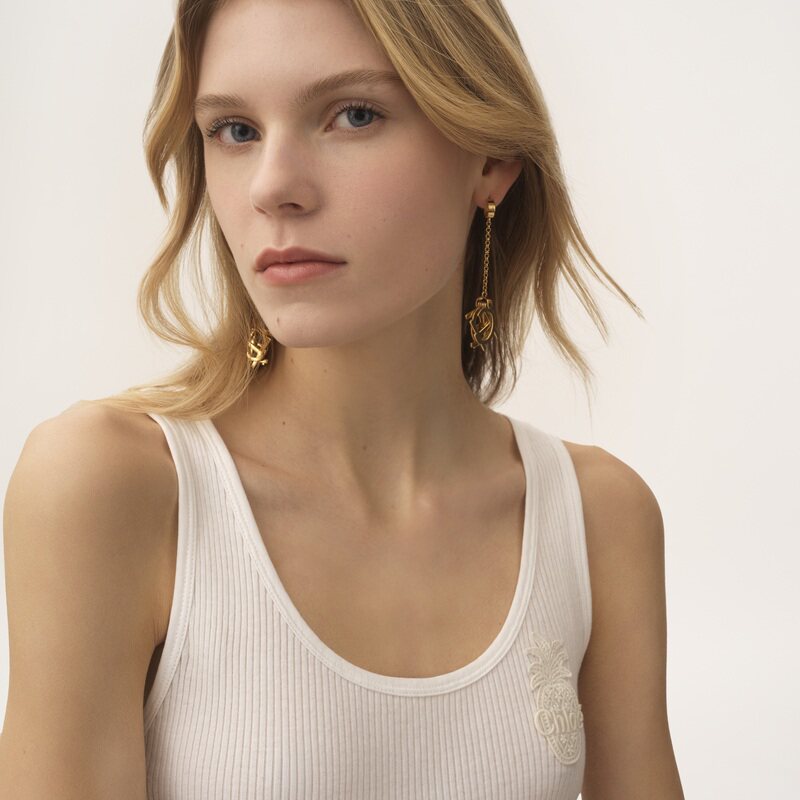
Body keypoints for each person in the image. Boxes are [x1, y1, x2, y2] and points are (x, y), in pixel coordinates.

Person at [0, 0, 684, 798]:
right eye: (235, 130)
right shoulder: (112, 488)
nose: (273, 187)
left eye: (354, 115)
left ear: (491, 159)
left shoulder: (599, 520)